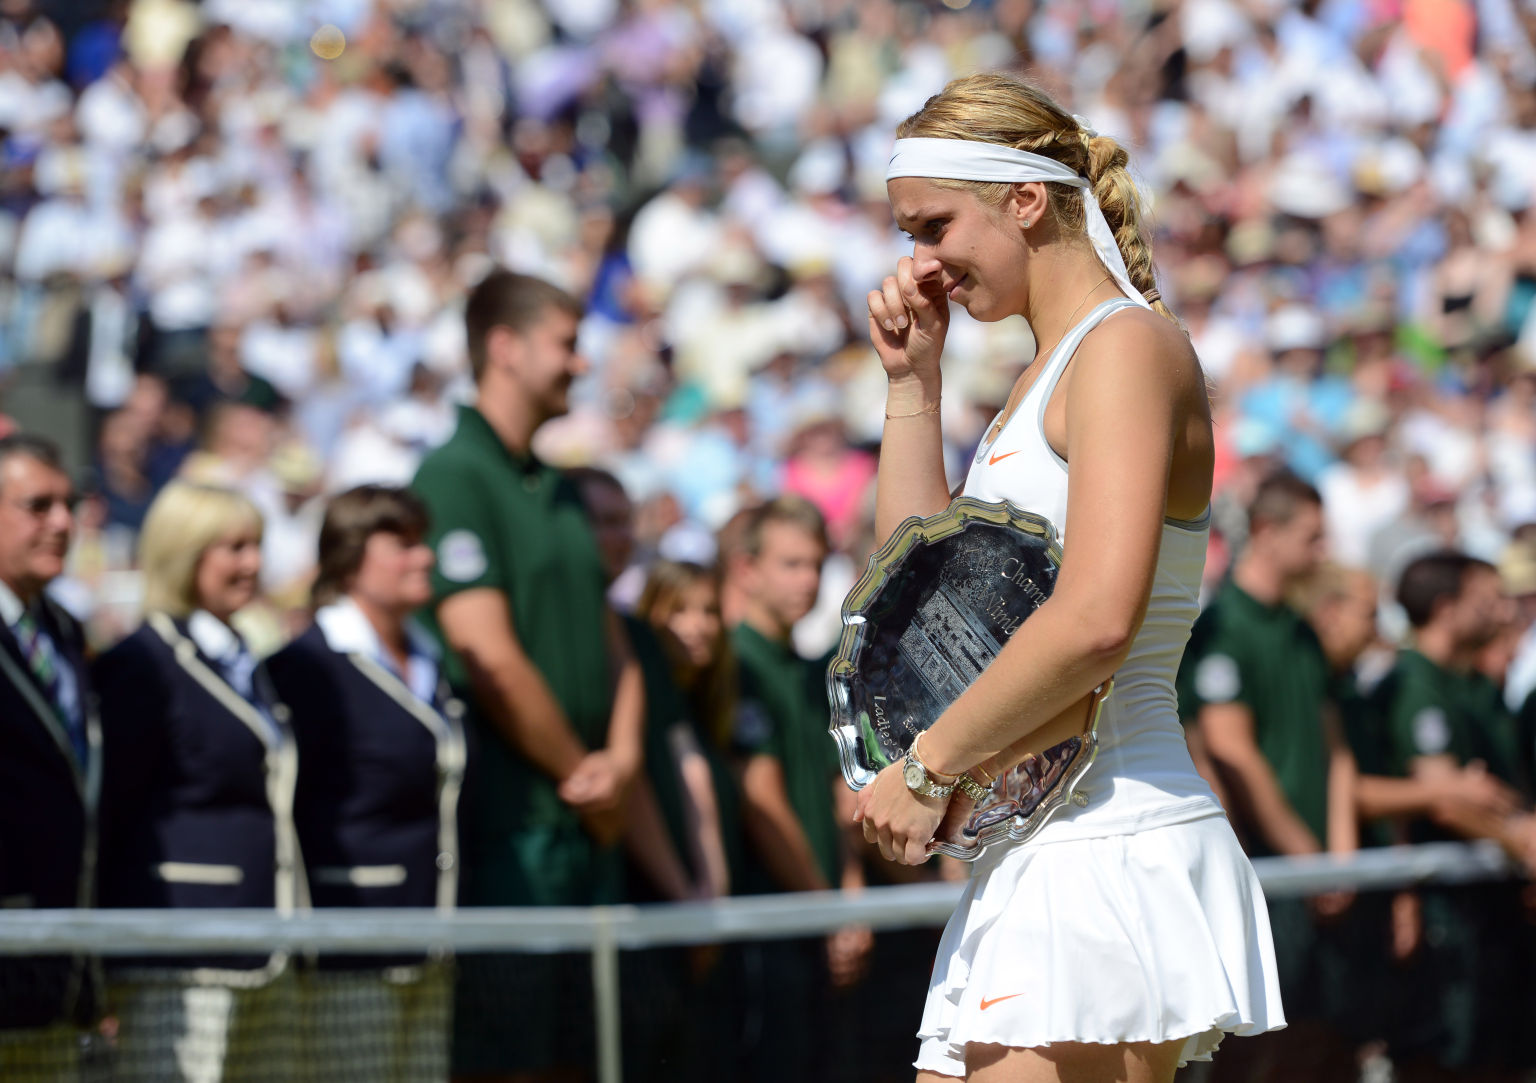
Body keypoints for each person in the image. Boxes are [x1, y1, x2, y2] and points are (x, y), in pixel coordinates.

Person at [855, 72, 1282, 1082]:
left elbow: (1095, 620)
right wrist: (913, 386)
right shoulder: (1049, 374)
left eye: (933, 225)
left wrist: (926, 772)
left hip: (1110, 842)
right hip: (1044, 852)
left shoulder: (1126, 348)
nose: (920, 262)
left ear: (1027, 200)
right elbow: (907, 607)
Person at [409, 269, 643, 1082]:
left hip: (589, 826)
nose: (581, 364)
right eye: (567, 344)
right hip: (517, 832)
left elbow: (614, 636)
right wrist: (583, 771)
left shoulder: (560, 486)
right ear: (503, 347)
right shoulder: (453, 476)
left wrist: (618, 760)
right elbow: (486, 652)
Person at [94, 480, 302, 1082]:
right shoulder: (140, 665)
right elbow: (112, 815)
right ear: (185, 553)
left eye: (256, 546)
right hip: (177, 957)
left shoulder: (243, 661)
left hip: (264, 944)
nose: (251, 564)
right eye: (232, 547)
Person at [265, 485, 465, 1082]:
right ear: (351, 555)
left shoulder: (432, 658)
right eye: (402, 544)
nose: (424, 557)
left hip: (435, 938)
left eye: (423, 542)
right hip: (347, 944)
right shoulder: (302, 668)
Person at [1176, 473, 1359, 1081]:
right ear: (1267, 532)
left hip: (1316, 873)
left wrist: (1339, 858)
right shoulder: (1223, 629)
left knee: (1319, 1042)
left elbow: (1336, 750)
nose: (1322, 549)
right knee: (1252, 1052)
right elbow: (1231, 750)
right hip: (1264, 875)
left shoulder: (1302, 630)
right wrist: (1309, 857)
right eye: (1312, 535)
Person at [724, 494, 872, 1079]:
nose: (808, 579)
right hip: (768, 928)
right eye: (790, 563)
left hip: (822, 922)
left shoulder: (811, 671)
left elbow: (839, 797)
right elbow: (761, 802)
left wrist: (852, 898)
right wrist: (829, 909)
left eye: (816, 564)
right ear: (747, 569)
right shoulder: (736, 661)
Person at [1373, 551, 1536, 1080]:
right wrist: (1522, 839)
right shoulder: (1417, 683)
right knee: (1445, 1058)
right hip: (1443, 915)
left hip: (1485, 911)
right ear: (1446, 609)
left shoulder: (1466, 685)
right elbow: (1444, 795)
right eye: (1484, 601)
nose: (1502, 612)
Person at [0, 434, 103, 1079]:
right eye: (39, 506)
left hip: (59, 976)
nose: (63, 522)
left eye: (68, 504)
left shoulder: (64, 631)